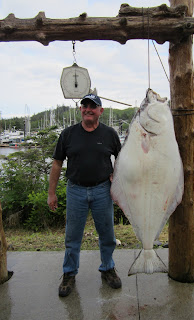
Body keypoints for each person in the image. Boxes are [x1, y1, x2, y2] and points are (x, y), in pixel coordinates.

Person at [47, 94, 122, 297]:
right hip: (75, 190)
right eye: (85, 106)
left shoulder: (110, 134)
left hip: (102, 190)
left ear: (100, 111)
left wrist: (117, 178)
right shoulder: (68, 134)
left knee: (107, 235)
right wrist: (51, 193)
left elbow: (121, 158)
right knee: (72, 237)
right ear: (80, 109)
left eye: (93, 106)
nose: (88, 109)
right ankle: (69, 274)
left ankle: (108, 268)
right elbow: (56, 163)